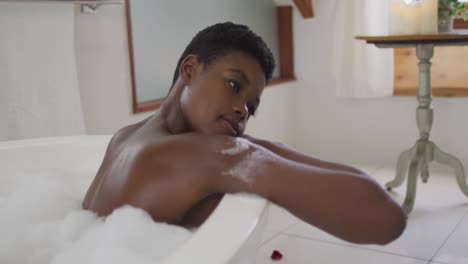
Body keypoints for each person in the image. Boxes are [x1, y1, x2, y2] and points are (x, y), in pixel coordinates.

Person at [82, 22, 406, 245]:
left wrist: (251, 144)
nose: (242, 110)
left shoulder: (124, 137)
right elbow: (386, 218)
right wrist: (246, 149)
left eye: (252, 108)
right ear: (190, 70)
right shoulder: (203, 157)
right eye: (234, 85)